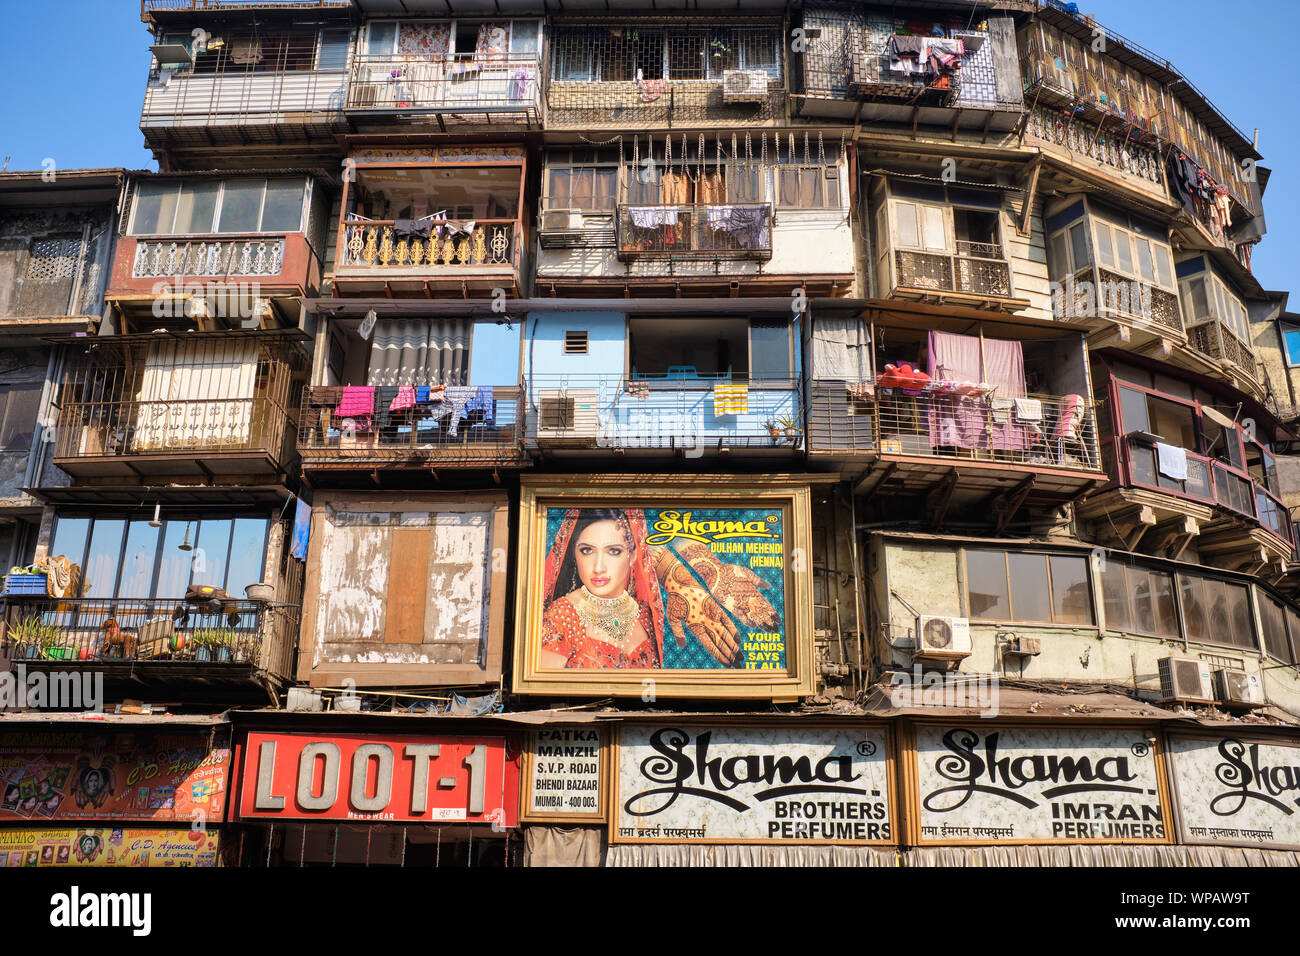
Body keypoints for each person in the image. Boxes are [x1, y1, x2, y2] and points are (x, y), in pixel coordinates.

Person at [540, 509, 664, 669]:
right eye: (587, 551)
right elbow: (543, 690)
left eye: (614, 551)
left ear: (633, 556)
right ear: (574, 554)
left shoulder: (645, 614)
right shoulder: (563, 616)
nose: (598, 567)